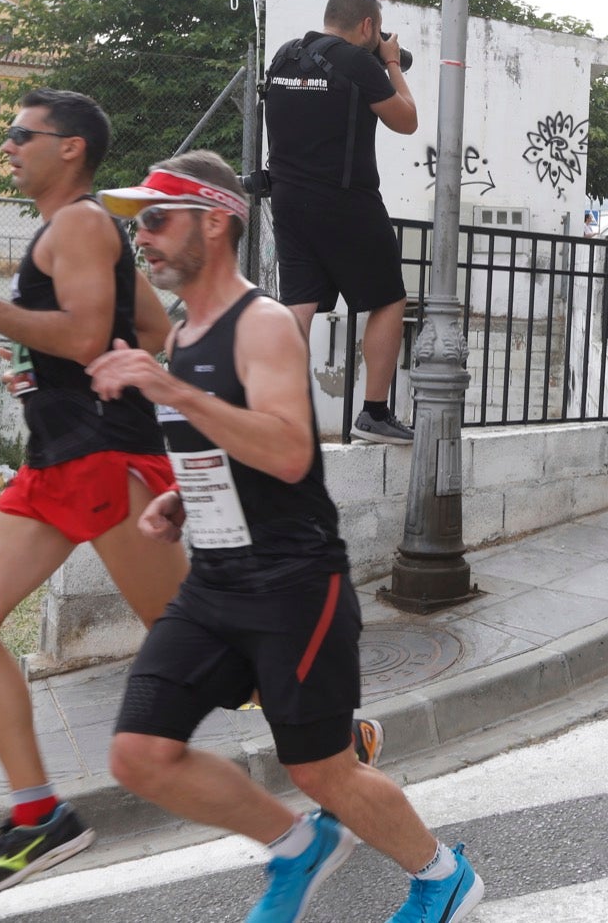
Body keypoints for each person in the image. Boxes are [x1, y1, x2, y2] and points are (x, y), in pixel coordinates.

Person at [88, 150, 483, 923]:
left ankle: (444, 878)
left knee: (321, 771)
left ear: (215, 222)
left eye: (157, 218)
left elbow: (290, 451)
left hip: (292, 584)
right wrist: (179, 497)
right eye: (138, 222)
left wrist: (169, 391)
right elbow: (225, 449)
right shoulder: (183, 336)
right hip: (213, 582)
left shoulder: (263, 323)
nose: (144, 236)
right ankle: (298, 847)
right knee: (139, 753)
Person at [0, 90, 190, 898]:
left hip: (103, 459)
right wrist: (47, 367)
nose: (7, 146)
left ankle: (335, 737)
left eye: (20, 134)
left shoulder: (77, 223)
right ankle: (39, 817)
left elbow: (79, 333)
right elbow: (150, 332)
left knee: (192, 641)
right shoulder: (82, 230)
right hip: (59, 461)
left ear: (70, 147)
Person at [262, 0, 417, 446]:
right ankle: (373, 413)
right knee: (388, 299)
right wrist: (391, 62)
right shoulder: (358, 63)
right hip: (346, 203)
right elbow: (407, 119)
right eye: (378, 31)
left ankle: (278, 410)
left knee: (299, 305)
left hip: (287, 201)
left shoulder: (285, 57)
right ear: (368, 25)